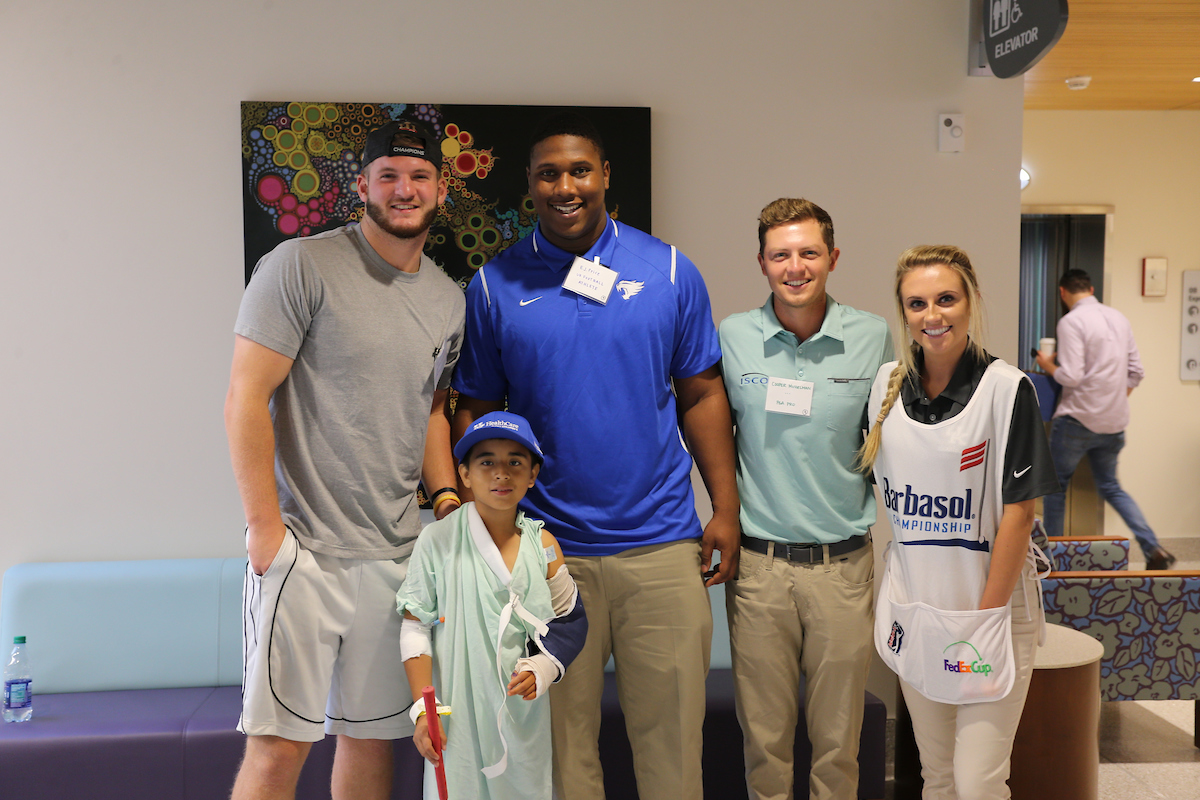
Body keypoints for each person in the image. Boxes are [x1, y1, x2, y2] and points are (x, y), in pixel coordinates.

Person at [450, 111, 740, 800]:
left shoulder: (669, 269)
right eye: (548, 173)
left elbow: (701, 393)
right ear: (530, 185)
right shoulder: (494, 286)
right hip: (546, 558)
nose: (565, 185)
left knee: (672, 755)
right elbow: (471, 411)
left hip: (662, 549)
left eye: (580, 170)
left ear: (606, 175)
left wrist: (725, 507)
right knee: (554, 759)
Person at [224, 118, 466, 800]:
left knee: (371, 744)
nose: (404, 189)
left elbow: (427, 414)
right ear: (362, 185)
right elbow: (245, 398)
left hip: (395, 557)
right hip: (306, 551)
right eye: (388, 175)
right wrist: (265, 531)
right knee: (277, 751)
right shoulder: (299, 265)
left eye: (419, 176)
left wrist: (446, 502)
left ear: (441, 190)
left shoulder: (449, 301)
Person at [859, 245, 1058, 800]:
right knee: (939, 777)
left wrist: (986, 621)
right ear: (904, 313)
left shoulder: (1007, 389)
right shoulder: (886, 387)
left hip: (988, 614)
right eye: (917, 303)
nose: (933, 315)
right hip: (918, 609)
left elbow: (1019, 514)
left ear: (970, 301)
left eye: (946, 299)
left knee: (978, 782)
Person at [718, 198, 892, 800]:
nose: (796, 266)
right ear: (762, 263)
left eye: (809, 253)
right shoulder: (733, 337)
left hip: (843, 568)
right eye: (781, 254)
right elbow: (711, 436)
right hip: (759, 569)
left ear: (833, 258)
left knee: (838, 745)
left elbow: (892, 437)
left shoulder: (873, 337)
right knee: (764, 743)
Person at [396, 411, 588, 800]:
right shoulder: (438, 541)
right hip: (456, 715)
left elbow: (571, 620)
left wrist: (545, 665)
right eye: (487, 462)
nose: (501, 473)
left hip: (521, 711)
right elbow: (415, 627)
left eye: (515, 462)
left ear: (532, 475)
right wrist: (422, 710)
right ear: (464, 474)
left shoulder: (544, 545)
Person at [1034, 269, 1174, 569]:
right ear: (1091, 288)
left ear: (1062, 292)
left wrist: (1047, 364)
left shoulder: (1071, 321)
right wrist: (1112, 401)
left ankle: (1053, 563)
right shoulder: (1119, 318)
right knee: (1111, 486)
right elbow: (1137, 371)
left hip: (1077, 420)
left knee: (1055, 487)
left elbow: (1071, 376)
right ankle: (1153, 548)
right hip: (1114, 423)